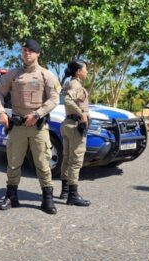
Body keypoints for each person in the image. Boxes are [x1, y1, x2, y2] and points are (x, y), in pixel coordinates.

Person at [0, 39, 61, 214]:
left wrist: (37, 114)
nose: (27, 53)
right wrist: (1, 111)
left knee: (42, 163)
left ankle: (47, 199)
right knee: (13, 163)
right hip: (17, 126)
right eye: (24, 50)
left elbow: (54, 99)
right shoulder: (13, 74)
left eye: (30, 51)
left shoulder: (47, 75)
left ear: (38, 54)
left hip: (38, 127)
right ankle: (11, 196)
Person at [59, 59, 91, 207]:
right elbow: (67, 100)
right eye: (85, 69)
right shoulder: (76, 84)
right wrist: (81, 114)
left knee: (66, 158)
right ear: (78, 71)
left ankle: (65, 191)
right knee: (76, 160)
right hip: (75, 125)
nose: (87, 72)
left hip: (67, 124)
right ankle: (72, 195)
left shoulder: (68, 83)